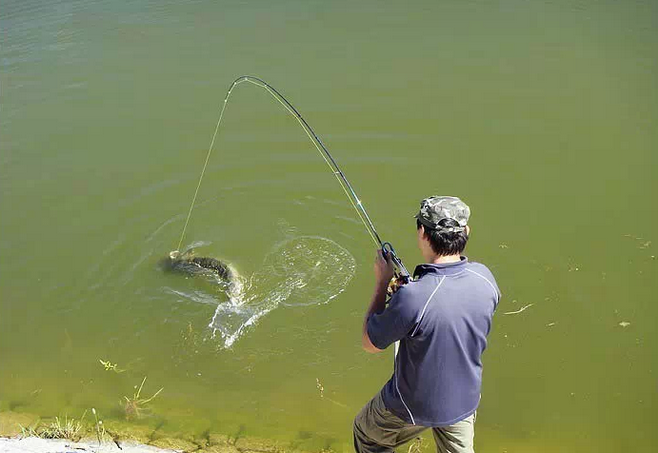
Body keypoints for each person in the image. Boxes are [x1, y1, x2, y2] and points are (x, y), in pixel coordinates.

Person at [354, 196, 500, 453]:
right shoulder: (485, 278)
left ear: (422, 232)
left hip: (411, 405)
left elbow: (370, 343)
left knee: (367, 436)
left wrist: (382, 283)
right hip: (463, 401)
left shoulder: (413, 297)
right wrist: (410, 296)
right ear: (466, 231)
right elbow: (446, 312)